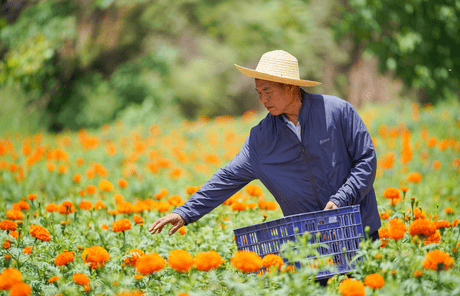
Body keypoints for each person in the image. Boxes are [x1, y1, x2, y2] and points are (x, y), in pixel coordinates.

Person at [149, 50, 380, 243]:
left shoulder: (337, 112)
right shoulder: (261, 139)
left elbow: (366, 161)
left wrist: (341, 199)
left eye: (268, 92)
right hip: (311, 240)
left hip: (359, 227)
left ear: (290, 87)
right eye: (259, 93)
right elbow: (226, 178)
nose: (262, 99)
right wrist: (185, 212)